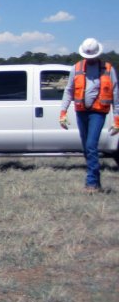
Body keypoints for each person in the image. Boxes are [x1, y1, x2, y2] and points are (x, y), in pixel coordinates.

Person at [59, 38, 119, 193]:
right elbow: (69, 90)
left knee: (91, 145)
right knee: (87, 148)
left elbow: (115, 95)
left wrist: (117, 119)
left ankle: (91, 183)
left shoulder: (108, 69)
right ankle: (96, 181)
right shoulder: (76, 68)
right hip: (81, 111)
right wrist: (63, 112)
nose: (89, 59)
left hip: (98, 112)